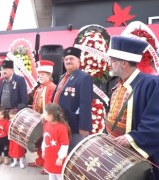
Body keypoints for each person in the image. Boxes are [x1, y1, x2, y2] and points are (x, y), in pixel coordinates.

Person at [105, 36, 159, 180]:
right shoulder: (119, 85)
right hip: (119, 154)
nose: (109, 64)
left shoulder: (152, 83)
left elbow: (156, 120)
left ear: (124, 63)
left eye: (112, 60)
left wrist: (133, 138)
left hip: (141, 156)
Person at [51, 47, 93, 151]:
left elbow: (85, 103)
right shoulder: (63, 76)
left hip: (73, 124)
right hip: (60, 121)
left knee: (73, 152)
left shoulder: (84, 77)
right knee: (60, 151)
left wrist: (83, 126)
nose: (68, 61)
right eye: (66, 59)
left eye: (71, 58)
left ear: (78, 61)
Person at [29, 60, 57, 173]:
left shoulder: (52, 87)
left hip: (48, 120)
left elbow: (51, 105)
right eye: (39, 74)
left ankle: (48, 165)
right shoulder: (39, 88)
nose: (40, 76)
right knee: (40, 142)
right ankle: (40, 161)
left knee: (48, 144)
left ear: (49, 75)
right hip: (38, 120)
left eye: (43, 74)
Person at [41, 103, 70, 180]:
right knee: (51, 173)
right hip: (49, 156)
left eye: (44, 113)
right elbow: (45, 139)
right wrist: (43, 150)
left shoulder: (62, 128)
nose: (43, 114)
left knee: (59, 175)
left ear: (51, 116)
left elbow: (65, 145)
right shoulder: (46, 125)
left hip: (57, 157)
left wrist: (60, 158)